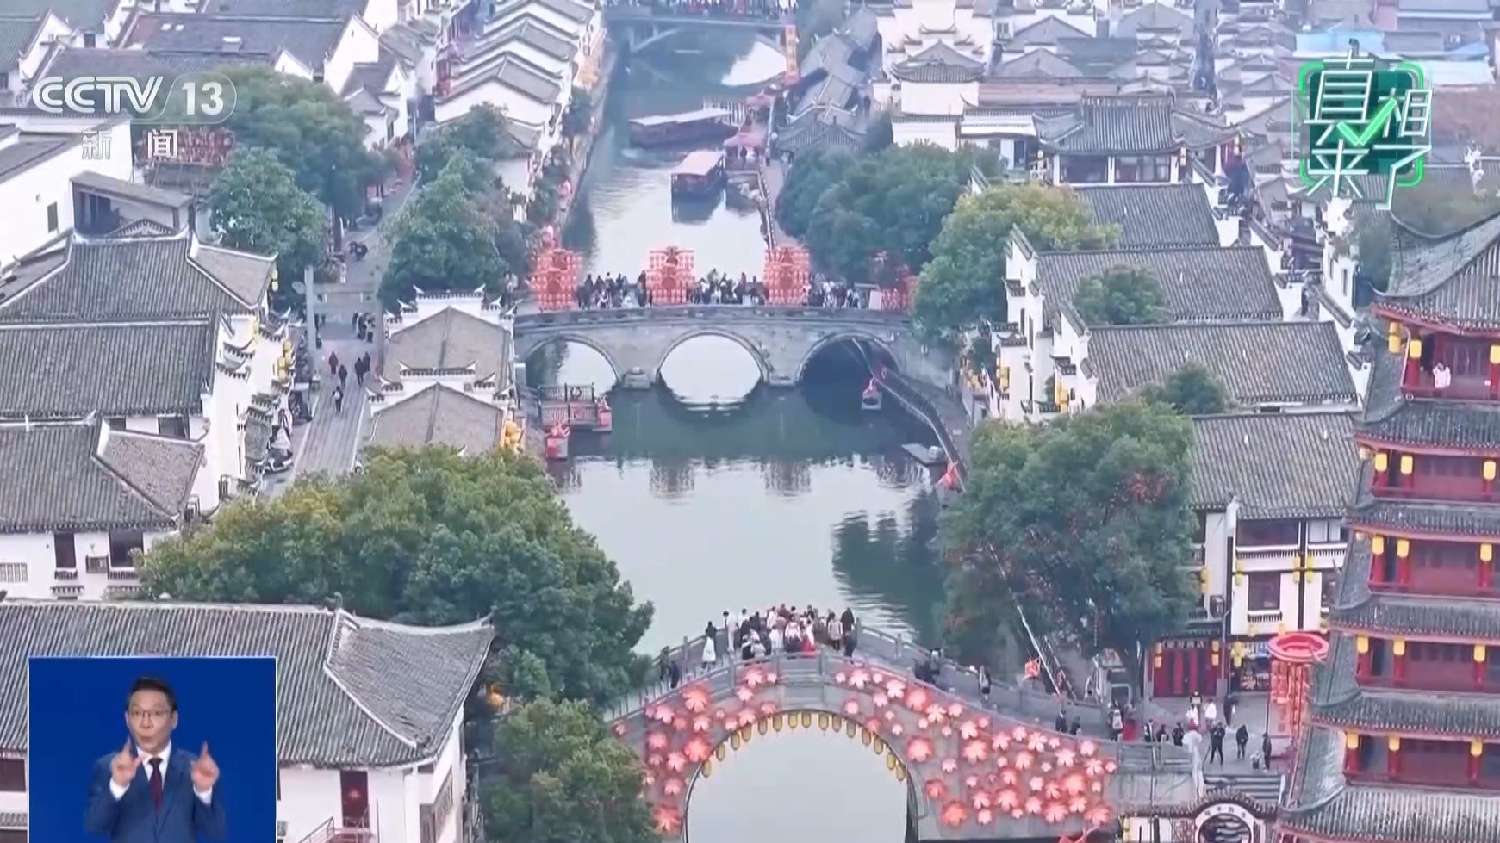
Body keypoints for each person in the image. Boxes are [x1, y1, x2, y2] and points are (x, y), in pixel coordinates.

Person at [85, 676, 227, 843]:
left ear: (174, 719)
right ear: (127, 720)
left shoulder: (196, 768)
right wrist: (117, 785)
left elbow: (216, 833)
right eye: (137, 713)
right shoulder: (108, 767)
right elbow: (94, 826)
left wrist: (203, 791)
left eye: (157, 713)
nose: (146, 723)